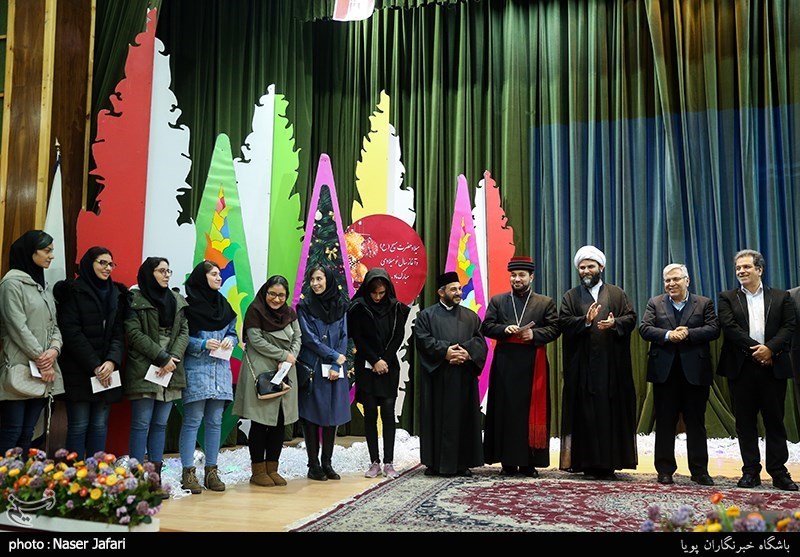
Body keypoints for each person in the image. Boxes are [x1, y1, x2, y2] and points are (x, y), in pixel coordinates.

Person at [717, 249, 797, 491]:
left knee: (775, 421)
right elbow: (730, 328)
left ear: (759, 269)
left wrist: (770, 350)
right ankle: (750, 471)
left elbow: (789, 326)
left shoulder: (781, 297)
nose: (741, 271)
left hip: (773, 367)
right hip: (741, 368)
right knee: (745, 422)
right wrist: (758, 351)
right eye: (738, 268)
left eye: (746, 267)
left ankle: (779, 472)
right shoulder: (727, 297)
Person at [558, 245, 638, 480]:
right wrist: (585, 321)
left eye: (590, 266)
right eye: (582, 267)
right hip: (583, 368)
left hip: (611, 367)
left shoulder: (616, 294)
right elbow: (563, 322)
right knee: (585, 414)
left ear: (601, 267)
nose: (586, 271)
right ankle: (587, 464)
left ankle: (609, 464)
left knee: (610, 413)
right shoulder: (571, 296)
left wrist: (615, 324)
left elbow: (631, 318)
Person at [638, 263, 719, 486]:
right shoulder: (655, 303)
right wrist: (668, 335)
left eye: (676, 279)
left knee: (696, 423)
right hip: (664, 374)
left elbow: (714, 329)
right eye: (667, 280)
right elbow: (645, 328)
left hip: (696, 373)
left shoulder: (704, 303)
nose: (671, 284)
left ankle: (700, 471)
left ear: (687, 280)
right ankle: (664, 470)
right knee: (665, 423)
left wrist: (688, 333)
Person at [481, 256, 560, 477]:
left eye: (521, 275)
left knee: (528, 413)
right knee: (505, 412)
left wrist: (534, 334)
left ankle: (528, 463)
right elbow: (486, 326)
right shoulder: (498, 301)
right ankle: (507, 462)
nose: (517, 279)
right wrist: (504, 329)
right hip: (505, 364)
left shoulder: (544, 302)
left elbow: (555, 328)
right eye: (513, 275)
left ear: (531, 277)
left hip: (533, 365)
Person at [53, 246, 127, 461]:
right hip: (80, 371)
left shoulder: (116, 293)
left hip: (107, 371)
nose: (107, 268)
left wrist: (111, 361)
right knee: (78, 425)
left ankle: (96, 474)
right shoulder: (74, 291)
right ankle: (75, 475)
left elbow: (118, 332)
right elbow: (71, 333)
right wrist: (95, 365)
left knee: (100, 425)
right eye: (102, 262)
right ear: (89, 263)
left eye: (111, 264)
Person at [414, 271, 487, 477]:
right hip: (438, 378)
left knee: (463, 420)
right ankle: (434, 463)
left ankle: (462, 464)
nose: (458, 292)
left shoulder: (471, 317)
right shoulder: (426, 316)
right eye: (453, 289)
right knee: (435, 419)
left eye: (459, 289)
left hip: (463, 377)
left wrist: (467, 353)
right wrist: (445, 352)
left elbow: (480, 342)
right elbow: (423, 340)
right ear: (441, 292)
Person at [233, 275, 301, 488]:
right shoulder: (255, 310)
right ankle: (258, 471)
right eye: (272, 294)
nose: (277, 299)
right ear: (265, 292)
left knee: (279, 422)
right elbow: (256, 340)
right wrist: (283, 355)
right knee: (261, 422)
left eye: (281, 295)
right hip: (262, 370)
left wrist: (289, 358)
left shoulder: (290, 313)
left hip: (285, 372)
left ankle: (272, 468)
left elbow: (297, 337)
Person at [124, 257, 189, 477]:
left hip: (170, 368)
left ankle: (154, 476)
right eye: (161, 271)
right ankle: (135, 476)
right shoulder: (135, 299)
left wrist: (173, 358)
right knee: (141, 423)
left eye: (168, 271)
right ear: (149, 273)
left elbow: (184, 332)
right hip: (144, 366)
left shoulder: (176, 300)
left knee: (161, 424)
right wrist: (162, 358)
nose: (166, 275)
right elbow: (133, 334)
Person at [0, 230, 64, 455]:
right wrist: (42, 359)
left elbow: (55, 325)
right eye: (46, 251)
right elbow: (17, 327)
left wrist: (54, 350)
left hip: (42, 371)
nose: (51, 256)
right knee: (12, 431)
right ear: (30, 252)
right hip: (20, 368)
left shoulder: (43, 285)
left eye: (52, 251)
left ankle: (21, 476)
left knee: (29, 433)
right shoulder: (11, 284)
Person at [178, 260, 238, 494]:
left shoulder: (224, 305)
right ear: (201, 278)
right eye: (213, 274)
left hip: (220, 371)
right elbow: (181, 338)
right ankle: (188, 472)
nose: (218, 278)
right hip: (197, 370)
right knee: (193, 420)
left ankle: (211, 471)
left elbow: (233, 332)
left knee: (215, 422)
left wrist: (230, 340)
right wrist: (202, 343)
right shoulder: (188, 307)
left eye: (219, 274)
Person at [348, 268, 411, 479]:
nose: (377, 297)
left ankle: (389, 462)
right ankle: (374, 461)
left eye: (381, 293)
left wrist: (384, 359)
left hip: (388, 367)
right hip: (367, 368)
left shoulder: (397, 308)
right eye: (374, 293)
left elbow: (398, 336)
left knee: (388, 413)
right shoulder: (358, 307)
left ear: (387, 290)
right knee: (370, 414)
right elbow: (358, 338)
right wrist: (374, 360)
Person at [296, 265, 350, 481]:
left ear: (328, 280)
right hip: (314, 367)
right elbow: (309, 338)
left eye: (319, 279)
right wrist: (333, 356)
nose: (315, 283)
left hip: (335, 369)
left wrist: (337, 364)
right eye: (312, 280)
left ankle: (327, 463)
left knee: (332, 415)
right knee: (311, 416)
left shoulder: (340, 306)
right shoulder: (304, 307)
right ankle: (313, 465)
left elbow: (344, 336)